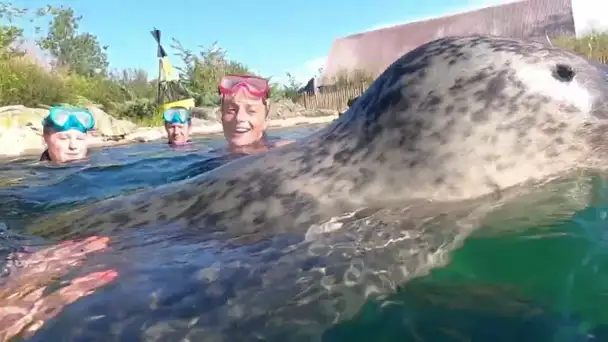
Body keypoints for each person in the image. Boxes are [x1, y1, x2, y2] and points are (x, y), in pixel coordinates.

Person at [218, 74, 294, 154]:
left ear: (266, 119)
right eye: (231, 110)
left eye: (251, 111)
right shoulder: (211, 157)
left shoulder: (282, 152)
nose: (239, 118)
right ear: (221, 116)